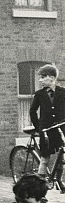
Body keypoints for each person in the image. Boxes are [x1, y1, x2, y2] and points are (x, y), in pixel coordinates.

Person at [29, 64, 65, 192]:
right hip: (45, 131)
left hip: (60, 129)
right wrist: (39, 128)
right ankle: (40, 188)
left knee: (61, 155)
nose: (40, 80)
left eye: (43, 77)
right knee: (45, 157)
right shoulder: (39, 94)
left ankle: (59, 180)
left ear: (52, 78)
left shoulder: (62, 92)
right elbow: (32, 111)